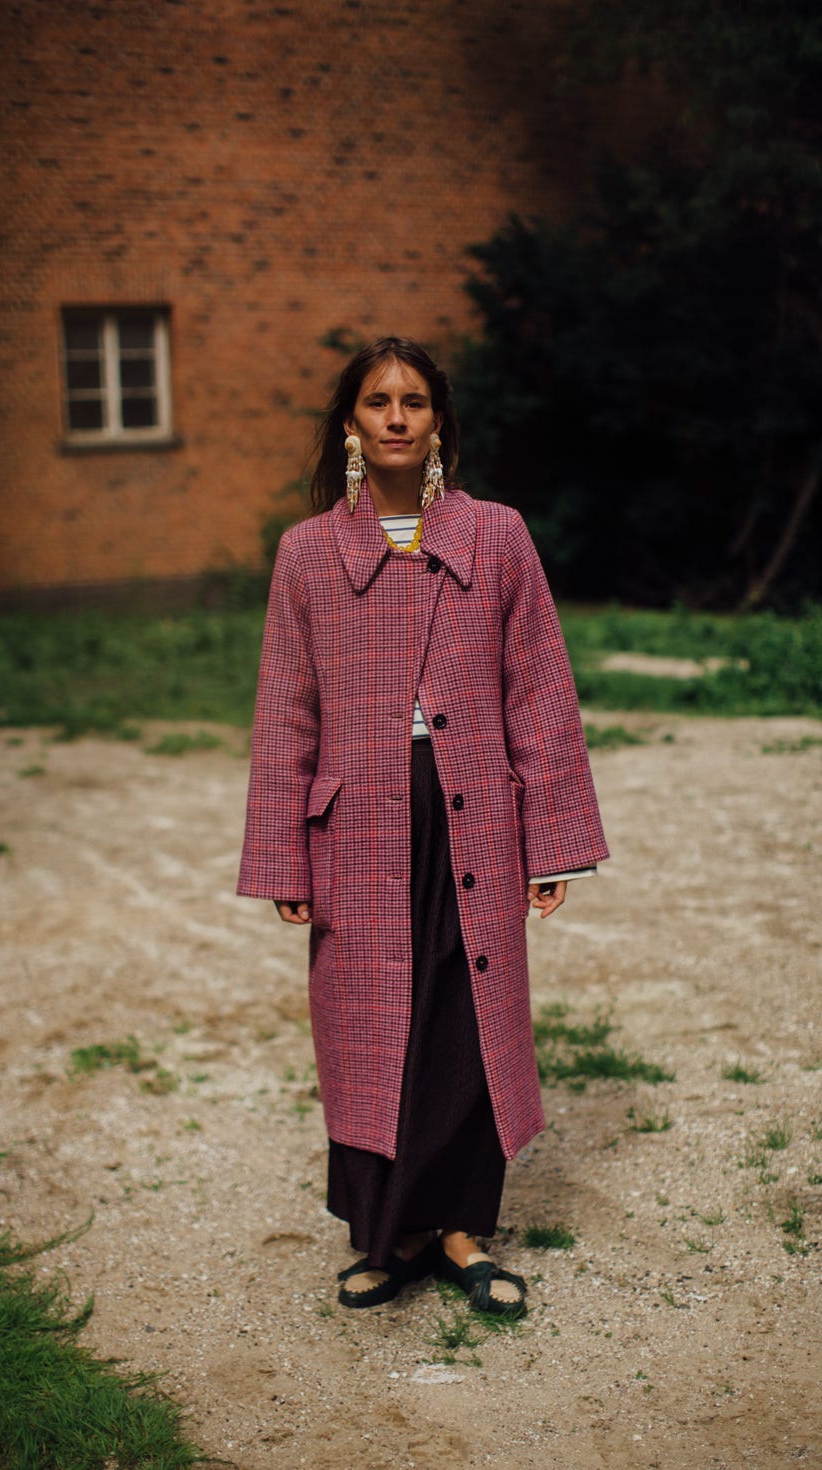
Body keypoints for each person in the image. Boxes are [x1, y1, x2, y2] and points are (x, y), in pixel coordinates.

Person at [238, 337, 608, 1316]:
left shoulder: (496, 536)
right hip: (354, 826)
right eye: (375, 402)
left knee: (462, 1017)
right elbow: (286, 709)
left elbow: (537, 689)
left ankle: (457, 1232)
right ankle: (386, 1233)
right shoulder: (307, 554)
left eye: (412, 401)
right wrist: (282, 849)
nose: (395, 416)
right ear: (350, 425)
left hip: (472, 818)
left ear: (437, 421)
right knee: (365, 1021)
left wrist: (552, 837)